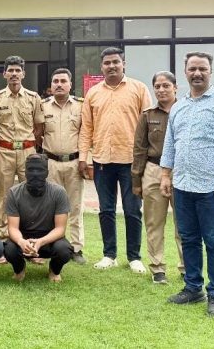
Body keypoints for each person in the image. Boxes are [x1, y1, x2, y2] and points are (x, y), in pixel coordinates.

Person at [161, 52, 214, 317]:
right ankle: (193, 288)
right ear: (185, 72)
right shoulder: (179, 107)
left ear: (211, 71)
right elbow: (170, 144)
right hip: (182, 185)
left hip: (212, 188)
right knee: (189, 239)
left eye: (202, 69)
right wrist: (166, 175)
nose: (197, 73)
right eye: (192, 68)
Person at [78, 47, 151, 272]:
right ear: (101, 67)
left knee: (132, 209)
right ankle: (109, 255)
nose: (111, 66)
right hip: (102, 161)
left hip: (131, 161)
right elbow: (86, 128)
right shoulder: (93, 93)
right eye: (107, 63)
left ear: (123, 64)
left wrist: (147, 158)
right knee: (106, 210)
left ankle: (134, 257)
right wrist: (83, 158)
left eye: (115, 62)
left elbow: (149, 125)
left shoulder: (139, 89)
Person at [131, 71, 184, 284]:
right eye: (157, 86)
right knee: (154, 223)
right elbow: (139, 148)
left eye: (166, 86)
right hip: (153, 170)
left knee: (184, 224)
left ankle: (187, 268)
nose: (161, 90)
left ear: (175, 88)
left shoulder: (186, 110)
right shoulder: (147, 115)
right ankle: (158, 268)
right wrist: (136, 180)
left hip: (182, 171)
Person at [0, 56, 43, 244]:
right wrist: (1, 143)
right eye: (10, 70)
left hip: (28, 152)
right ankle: (5, 237)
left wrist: (28, 143)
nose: (14, 74)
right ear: (4, 74)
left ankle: (30, 237)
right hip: (4, 152)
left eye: (17, 70)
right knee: (4, 195)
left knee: (31, 194)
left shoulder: (33, 98)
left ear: (23, 74)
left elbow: (39, 127)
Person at [3, 154, 73, 282]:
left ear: (47, 172)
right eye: (31, 170)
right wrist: (21, 242)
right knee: (9, 248)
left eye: (40, 170)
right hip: (24, 238)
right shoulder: (14, 192)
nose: (35, 174)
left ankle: (54, 270)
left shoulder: (59, 192)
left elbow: (60, 229)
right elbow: (12, 228)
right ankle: (19, 269)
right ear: (25, 172)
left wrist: (41, 241)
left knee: (64, 250)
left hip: (49, 239)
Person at [41, 68, 86, 265]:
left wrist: (85, 160)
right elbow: (37, 133)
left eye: (63, 81)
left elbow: (86, 134)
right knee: (50, 206)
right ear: (51, 86)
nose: (59, 84)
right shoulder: (43, 106)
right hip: (51, 162)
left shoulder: (81, 106)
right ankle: (53, 243)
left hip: (74, 162)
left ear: (70, 84)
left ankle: (76, 248)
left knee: (75, 206)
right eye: (55, 81)